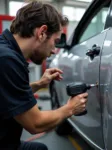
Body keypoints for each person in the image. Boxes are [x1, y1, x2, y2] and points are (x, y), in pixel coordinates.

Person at [0, 1, 88, 150]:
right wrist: (70, 108)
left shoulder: (5, 49)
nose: (54, 50)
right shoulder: (7, 59)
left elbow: (9, 94)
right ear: (41, 33)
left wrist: (39, 84)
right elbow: (35, 124)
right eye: (55, 41)